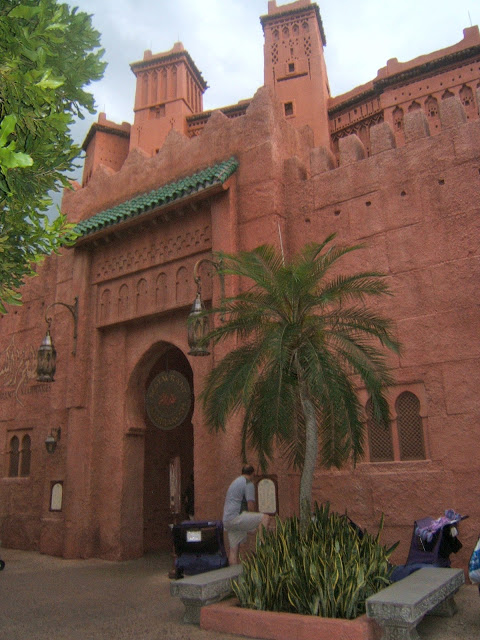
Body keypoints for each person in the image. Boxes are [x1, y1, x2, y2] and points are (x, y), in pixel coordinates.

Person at [222, 464, 270, 565]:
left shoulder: (235, 482)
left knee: (233, 551)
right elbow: (250, 505)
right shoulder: (248, 483)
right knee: (265, 518)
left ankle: (232, 578)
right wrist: (254, 525)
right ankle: (262, 549)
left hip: (227, 521)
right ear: (253, 474)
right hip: (237, 517)